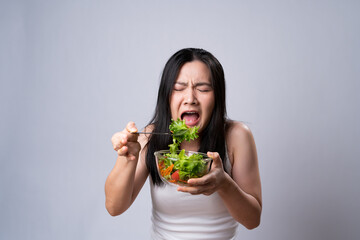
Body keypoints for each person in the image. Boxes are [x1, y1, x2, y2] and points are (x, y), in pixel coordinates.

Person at [105, 48, 262, 240]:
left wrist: (224, 184)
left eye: (203, 89)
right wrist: (126, 156)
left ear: (217, 97)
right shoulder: (151, 136)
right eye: (178, 88)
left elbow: (253, 220)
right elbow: (114, 207)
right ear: (166, 96)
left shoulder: (237, 136)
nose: (190, 99)